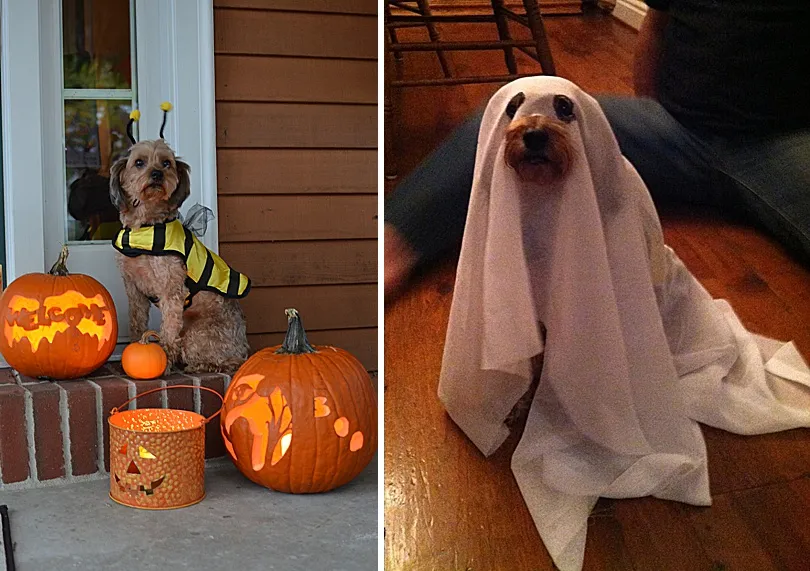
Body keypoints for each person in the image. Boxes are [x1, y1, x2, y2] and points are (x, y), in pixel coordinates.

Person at [384, 0, 810, 297]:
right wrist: (645, 112)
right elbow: (656, 29)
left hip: (779, 144)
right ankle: (391, 242)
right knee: (501, 118)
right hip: (676, 128)